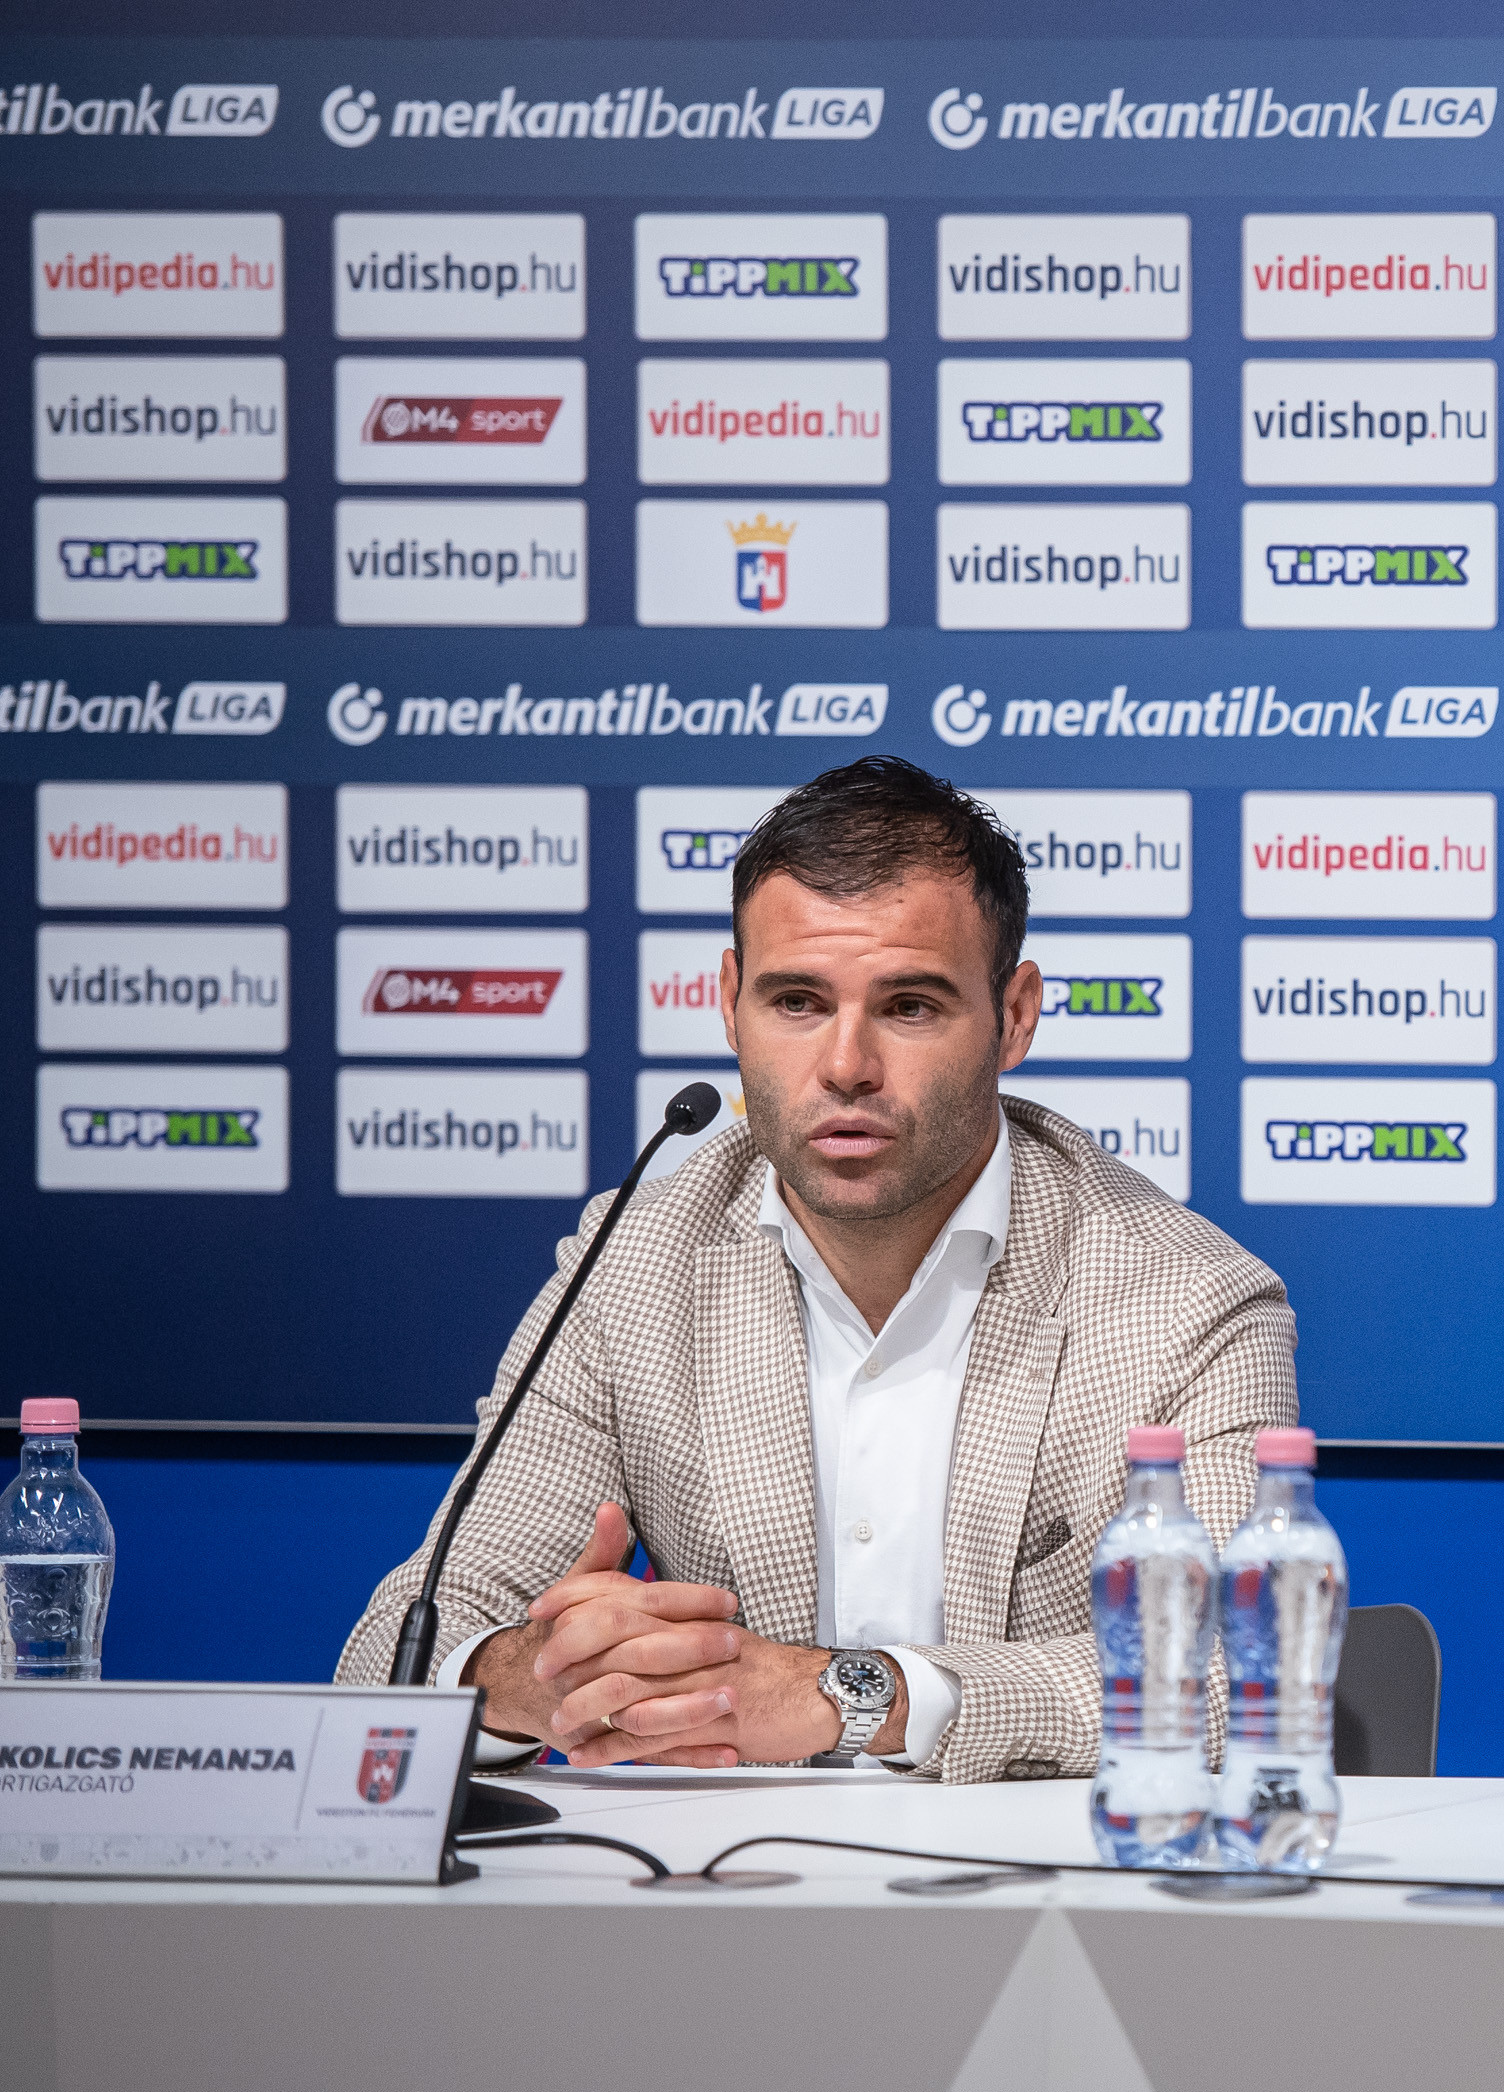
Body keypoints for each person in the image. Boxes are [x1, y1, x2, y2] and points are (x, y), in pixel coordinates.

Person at [337, 759, 1296, 1783]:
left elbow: (1238, 1678)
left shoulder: (1185, 1298)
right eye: (796, 1001)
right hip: (724, 1878)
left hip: (1034, 1874)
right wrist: (540, 1678)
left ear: (1014, 1016)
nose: (845, 1065)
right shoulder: (635, 1264)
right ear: (728, 1004)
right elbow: (396, 1648)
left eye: (910, 1006)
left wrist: (842, 1698)